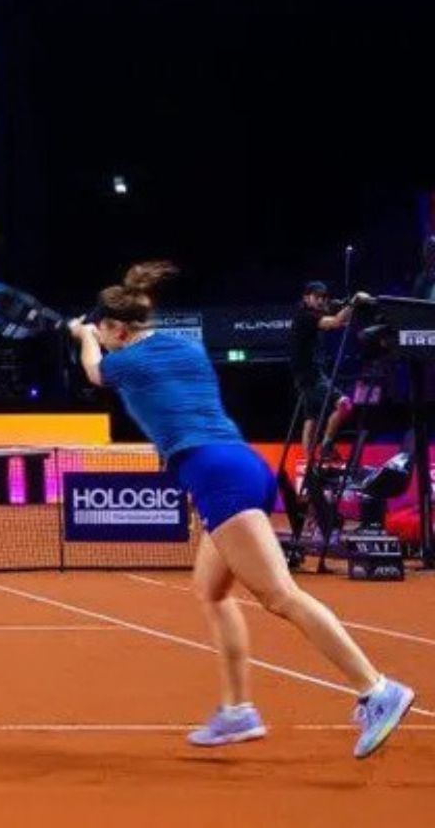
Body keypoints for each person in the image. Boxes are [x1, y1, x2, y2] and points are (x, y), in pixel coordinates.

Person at [69, 261, 413, 757]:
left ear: (117, 329)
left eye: (105, 332)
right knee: (211, 590)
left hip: (217, 477)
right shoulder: (187, 348)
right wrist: (96, 330)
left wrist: (83, 335)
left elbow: (94, 371)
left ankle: (376, 689)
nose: (103, 339)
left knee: (281, 596)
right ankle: (237, 712)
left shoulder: (126, 362)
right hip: (245, 466)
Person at [291, 281, 371, 467]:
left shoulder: (311, 315)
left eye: (323, 297)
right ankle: (326, 446)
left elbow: (339, 320)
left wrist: (346, 307)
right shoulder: (306, 317)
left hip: (307, 373)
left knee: (311, 418)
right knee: (344, 404)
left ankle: (310, 465)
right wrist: (354, 302)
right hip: (311, 375)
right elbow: (335, 322)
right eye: (316, 297)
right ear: (306, 298)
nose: (321, 300)